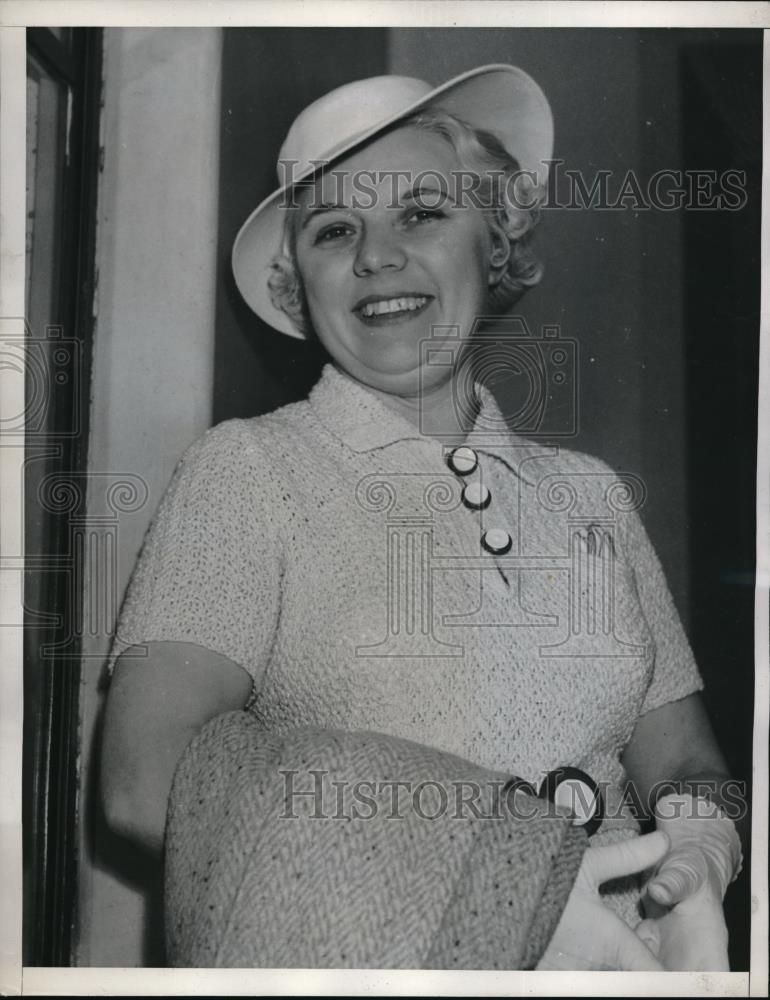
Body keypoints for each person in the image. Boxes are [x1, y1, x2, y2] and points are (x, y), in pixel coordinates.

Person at [101, 65, 744, 970]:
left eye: (422, 214)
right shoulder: (249, 470)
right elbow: (144, 782)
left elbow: (685, 766)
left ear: (495, 242)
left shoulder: (592, 493)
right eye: (335, 231)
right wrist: (503, 894)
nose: (376, 257)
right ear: (297, 286)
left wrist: (702, 854)